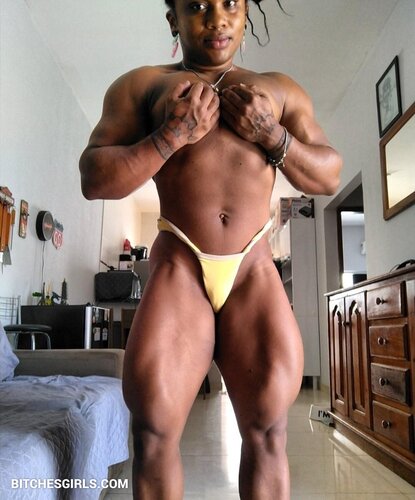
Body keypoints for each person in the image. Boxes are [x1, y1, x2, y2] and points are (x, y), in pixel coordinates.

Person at [79, 0, 342, 498]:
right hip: (180, 263)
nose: (216, 18)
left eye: (230, 4)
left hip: (252, 270)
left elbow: (328, 174)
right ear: (173, 18)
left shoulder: (278, 89)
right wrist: (169, 137)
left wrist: (273, 136)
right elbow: (94, 178)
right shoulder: (142, 85)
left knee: (268, 429)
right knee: (153, 428)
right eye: (198, 5)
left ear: (244, 14)